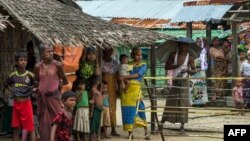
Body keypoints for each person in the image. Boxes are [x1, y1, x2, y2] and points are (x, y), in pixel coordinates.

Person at [34, 43, 68, 141]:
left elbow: (65, 80)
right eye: (48, 51)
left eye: (52, 51)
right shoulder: (37, 66)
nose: (51, 53)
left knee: (58, 120)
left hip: (54, 98)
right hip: (42, 98)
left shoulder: (57, 65)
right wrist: (38, 89)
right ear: (41, 54)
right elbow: (36, 81)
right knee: (44, 122)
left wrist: (58, 85)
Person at [162, 39, 196, 133]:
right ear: (178, 46)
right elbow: (166, 66)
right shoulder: (173, 55)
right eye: (181, 45)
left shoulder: (190, 57)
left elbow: (194, 71)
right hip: (175, 81)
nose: (182, 47)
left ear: (187, 47)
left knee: (183, 103)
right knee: (170, 101)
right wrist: (176, 65)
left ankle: (182, 126)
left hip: (184, 81)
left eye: (184, 45)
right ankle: (162, 122)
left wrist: (187, 71)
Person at [4, 51, 36, 141]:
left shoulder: (30, 75)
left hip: (26, 104)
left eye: (25, 60)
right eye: (21, 60)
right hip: (16, 104)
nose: (23, 62)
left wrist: (31, 91)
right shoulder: (12, 75)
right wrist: (12, 91)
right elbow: (6, 85)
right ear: (16, 62)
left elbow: (36, 87)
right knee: (15, 128)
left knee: (30, 128)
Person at [120, 47, 150, 140]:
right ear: (133, 55)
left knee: (141, 109)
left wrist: (125, 77)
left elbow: (138, 75)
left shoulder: (143, 65)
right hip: (126, 89)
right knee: (127, 111)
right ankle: (130, 133)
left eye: (140, 54)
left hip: (136, 89)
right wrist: (123, 78)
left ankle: (146, 132)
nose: (140, 56)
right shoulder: (128, 64)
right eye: (137, 54)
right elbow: (121, 73)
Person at [101, 48, 120, 136]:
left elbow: (117, 76)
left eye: (110, 50)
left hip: (112, 89)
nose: (108, 52)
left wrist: (118, 87)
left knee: (112, 108)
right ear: (103, 51)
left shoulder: (115, 63)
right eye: (106, 50)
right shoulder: (100, 62)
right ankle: (101, 128)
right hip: (103, 88)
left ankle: (113, 128)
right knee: (102, 107)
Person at [189, 37, 208, 106]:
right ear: (195, 43)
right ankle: (194, 102)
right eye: (197, 42)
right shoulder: (191, 51)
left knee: (201, 86)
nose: (199, 43)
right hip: (193, 70)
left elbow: (205, 61)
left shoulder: (203, 50)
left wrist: (201, 66)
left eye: (200, 42)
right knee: (194, 86)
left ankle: (202, 102)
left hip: (201, 71)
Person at [209, 37, 228, 101]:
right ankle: (214, 95)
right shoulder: (211, 49)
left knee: (222, 81)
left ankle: (220, 95)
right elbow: (217, 56)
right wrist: (226, 59)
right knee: (216, 80)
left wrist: (226, 45)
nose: (216, 42)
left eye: (217, 41)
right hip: (215, 66)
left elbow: (226, 52)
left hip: (222, 66)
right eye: (215, 41)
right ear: (212, 42)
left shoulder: (221, 49)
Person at [89, 75, 103, 141]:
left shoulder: (96, 90)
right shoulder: (93, 90)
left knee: (96, 123)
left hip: (99, 109)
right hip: (95, 109)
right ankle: (91, 138)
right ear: (97, 82)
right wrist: (91, 111)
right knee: (93, 123)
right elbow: (92, 101)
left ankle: (94, 137)